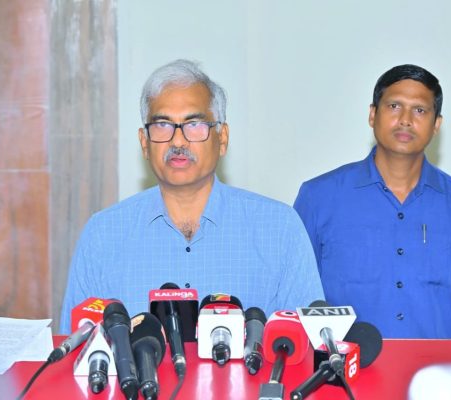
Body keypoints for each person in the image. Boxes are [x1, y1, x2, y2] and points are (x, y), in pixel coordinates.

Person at [60, 59, 324, 333]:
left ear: (222, 138)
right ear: (144, 143)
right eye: (162, 125)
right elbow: (74, 348)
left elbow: (308, 346)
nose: (178, 141)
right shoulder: (103, 234)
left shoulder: (279, 228)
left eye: (194, 124)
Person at [293, 64, 451, 361]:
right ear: (372, 115)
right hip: (345, 374)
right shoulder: (319, 198)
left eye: (420, 110)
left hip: (438, 377)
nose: (405, 119)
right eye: (394, 106)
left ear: (436, 124)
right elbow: (296, 305)